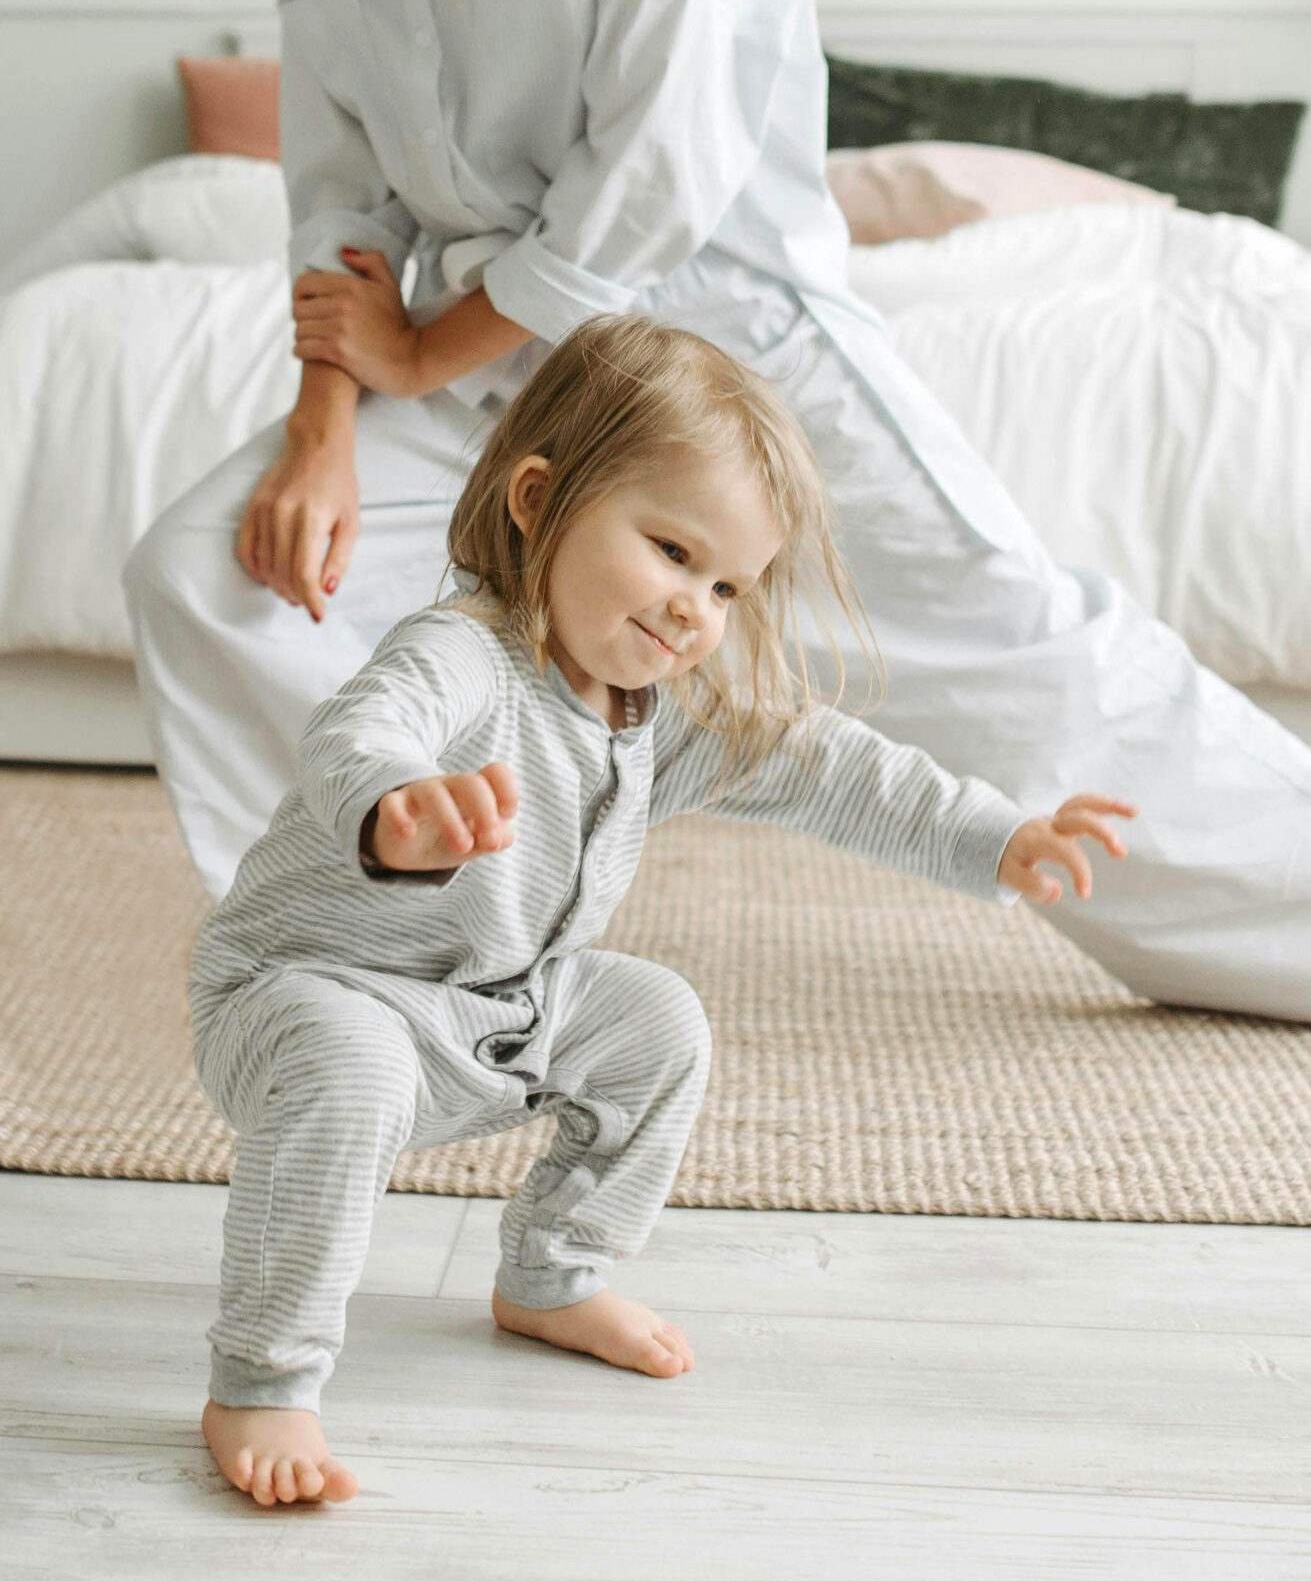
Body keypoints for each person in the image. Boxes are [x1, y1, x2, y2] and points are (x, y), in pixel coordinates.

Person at [125, 0, 1311, 1019]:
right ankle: (390, 967)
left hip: (731, 358)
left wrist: (417, 357)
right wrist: (330, 419)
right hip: (492, 372)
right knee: (222, 573)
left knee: (1022, 657)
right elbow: (338, 185)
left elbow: (654, 181)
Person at [191, 316, 1134, 1507]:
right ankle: (263, 1380)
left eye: (728, 584)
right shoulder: (465, 656)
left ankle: (553, 1273)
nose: (697, 607)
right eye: (673, 551)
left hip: (488, 1008)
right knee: (352, 1059)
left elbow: (830, 765)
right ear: (539, 499)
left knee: (658, 1019)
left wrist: (996, 835)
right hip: (301, 998)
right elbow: (360, 729)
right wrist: (396, 809)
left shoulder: (654, 711)